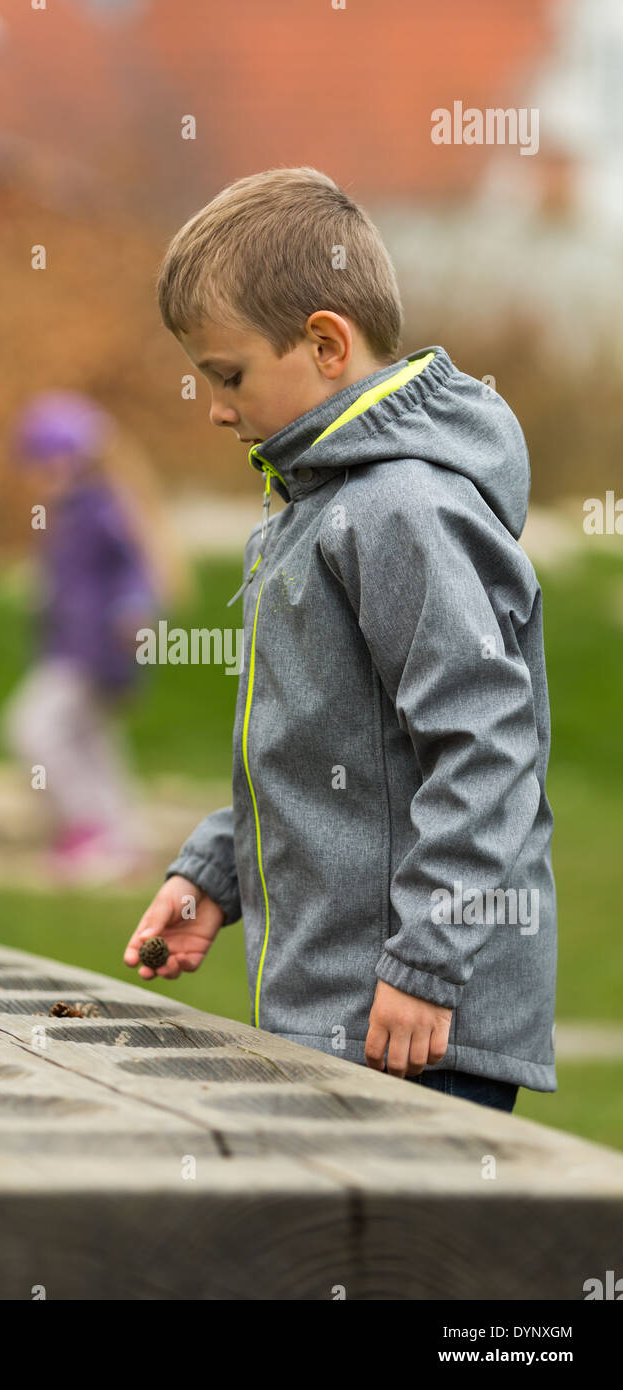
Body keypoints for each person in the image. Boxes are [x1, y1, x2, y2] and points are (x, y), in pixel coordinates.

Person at [123, 167, 557, 1114]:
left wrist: (427, 962)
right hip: (344, 1007)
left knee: (400, 1266)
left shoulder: (403, 510)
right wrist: (212, 871)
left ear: (325, 342)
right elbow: (326, 755)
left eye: (226, 374)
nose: (215, 408)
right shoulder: (310, 511)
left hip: (414, 1021)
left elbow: (488, 750)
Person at [0, 391, 192, 885]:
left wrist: (135, 610)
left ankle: (87, 830)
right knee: (92, 744)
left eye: (43, 463)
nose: (37, 476)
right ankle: (122, 842)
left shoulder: (98, 509)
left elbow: (133, 568)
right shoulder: (70, 512)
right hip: (76, 647)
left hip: (93, 650)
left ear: (68, 459)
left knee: (32, 728)